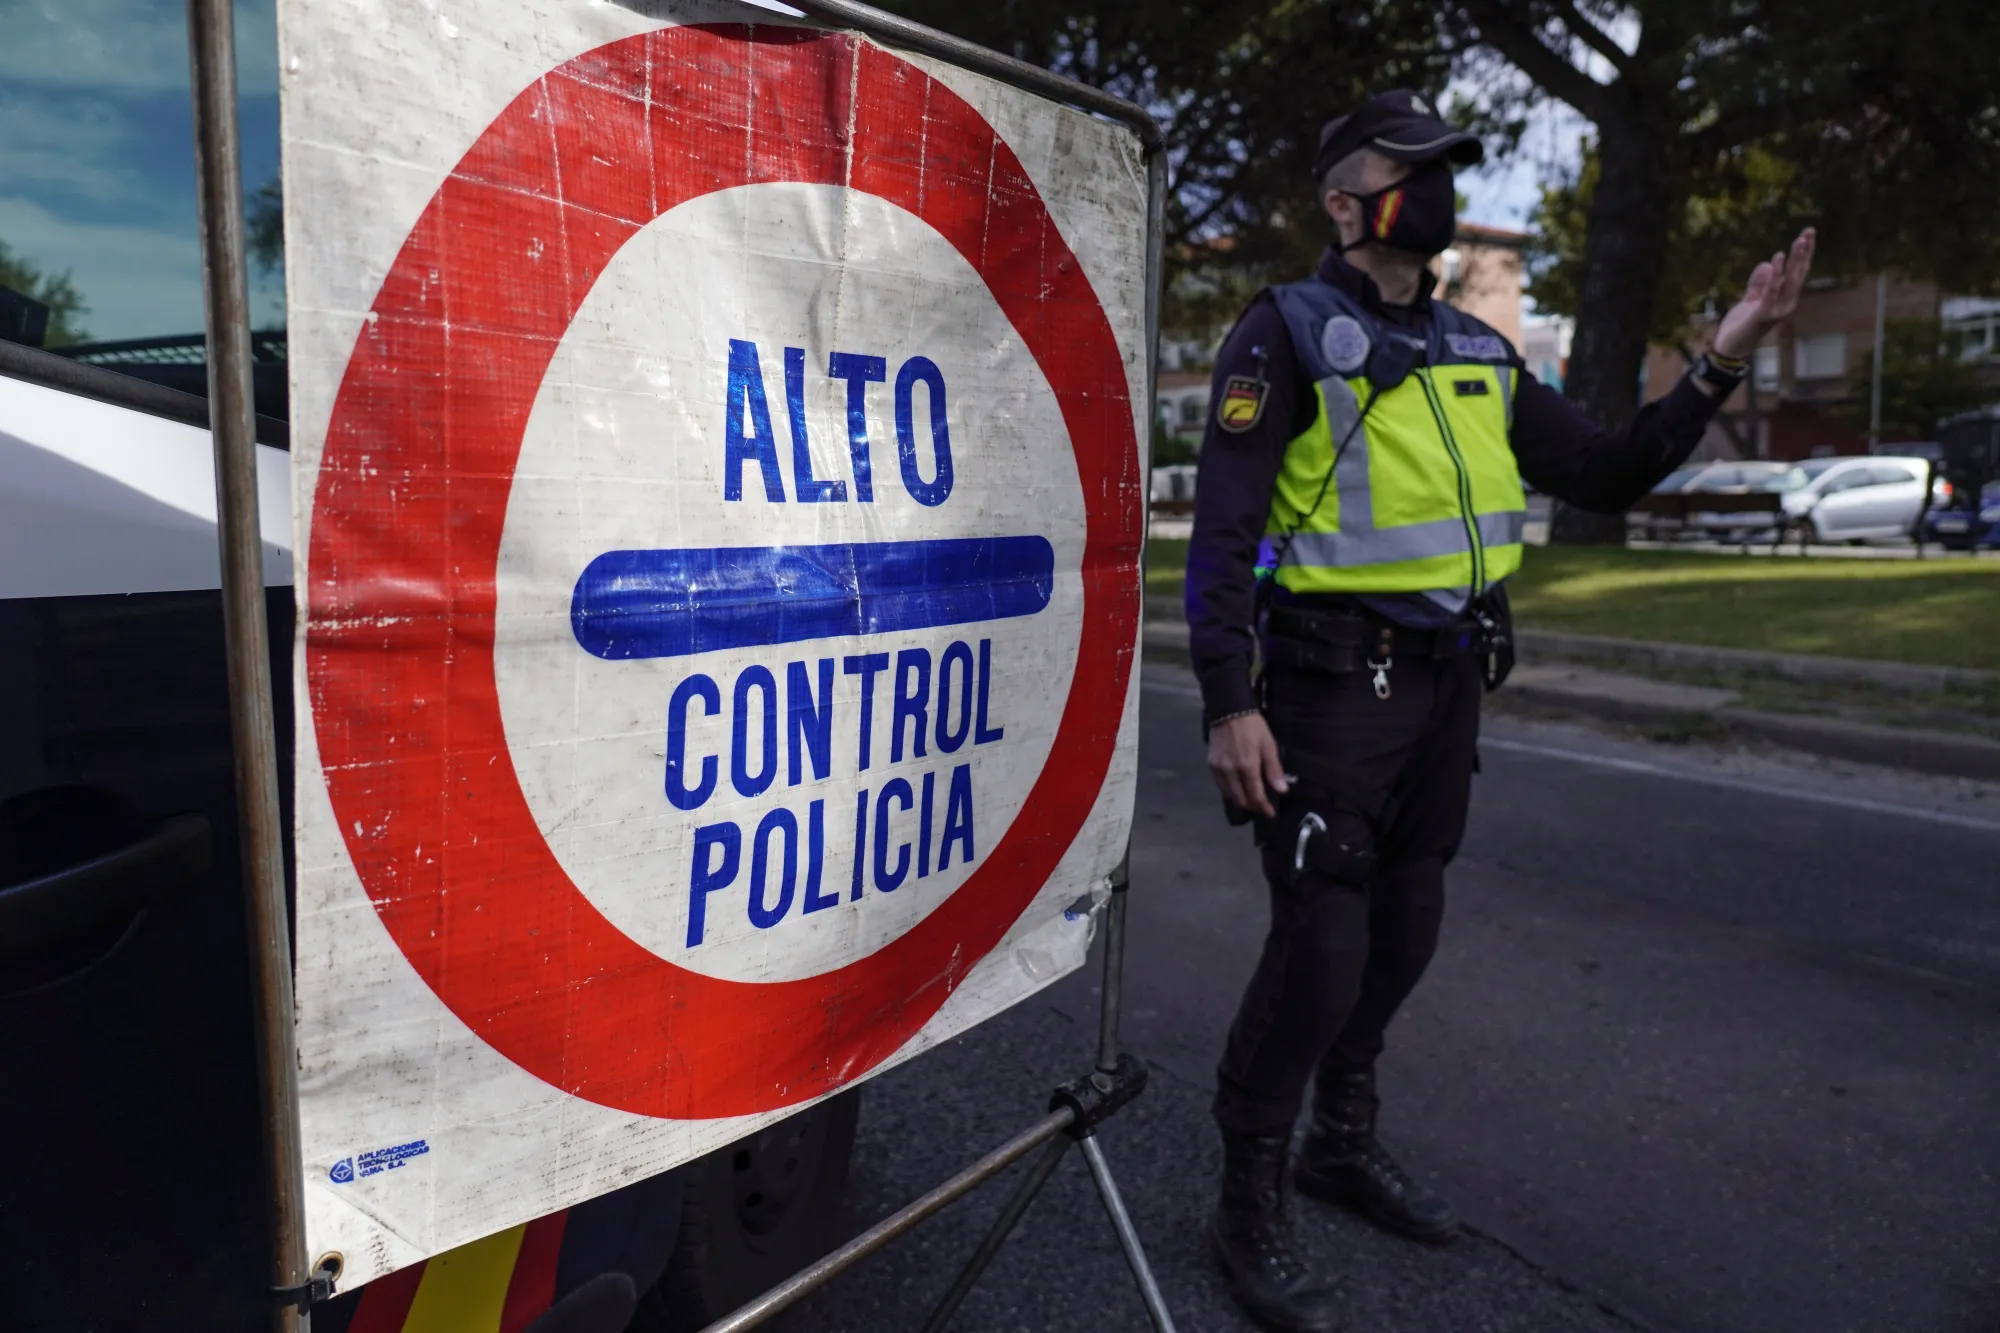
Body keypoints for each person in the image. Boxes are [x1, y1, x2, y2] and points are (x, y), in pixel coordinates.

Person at [1187, 89, 1814, 1333]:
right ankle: (1242, 1199)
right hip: (1322, 691)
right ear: (1341, 199)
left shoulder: (1478, 350)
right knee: (1317, 951)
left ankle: (1338, 1144)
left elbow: (1603, 468)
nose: (1433, 188)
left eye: (1443, 168)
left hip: (1442, 689)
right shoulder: (1285, 333)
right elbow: (1222, 533)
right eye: (1406, 168)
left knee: (1403, 931)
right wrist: (1225, 700)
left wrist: (1726, 347)